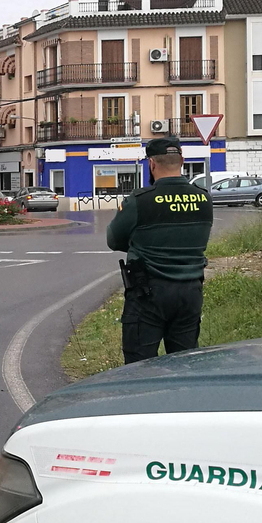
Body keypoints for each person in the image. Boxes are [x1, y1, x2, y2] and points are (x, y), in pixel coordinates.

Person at [105, 136, 214, 363]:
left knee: (139, 367)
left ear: (151, 164)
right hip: (190, 292)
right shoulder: (204, 199)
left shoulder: (139, 200)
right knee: (185, 364)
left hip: (148, 293)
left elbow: (114, 240)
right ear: (182, 161)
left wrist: (142, 244)